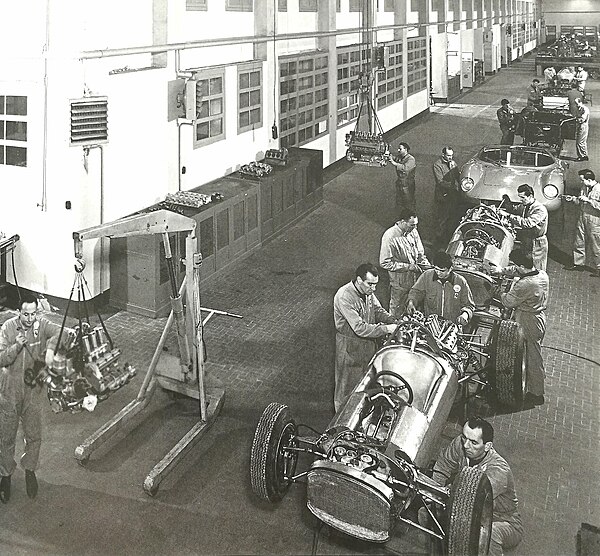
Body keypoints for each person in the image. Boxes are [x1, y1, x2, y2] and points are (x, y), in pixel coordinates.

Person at [0, 293, 63, 502]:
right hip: (9, 391)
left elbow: (62, 333)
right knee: (6, 437)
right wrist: (16, 345)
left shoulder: (41, 324)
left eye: (33, 313)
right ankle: (5, 475)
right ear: (19, 312)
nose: (29, 318)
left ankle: (29, 472)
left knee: (34, 435)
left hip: (33, 390)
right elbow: (0, 358)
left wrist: (50, 350)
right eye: (25, 314)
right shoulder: (8, 327)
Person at [432, 417, 523, 556]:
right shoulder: (461, 443)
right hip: (472, 514)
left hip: (504, 521)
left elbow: (471, 498)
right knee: (427, 514)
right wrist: (433, 492)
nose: (466, 445)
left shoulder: (499, 470)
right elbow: (442, 467)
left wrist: (445, 492)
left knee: (487, 535)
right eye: (464, 437)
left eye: (474, 442)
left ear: (487, 446)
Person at [333, 264, 397, 411]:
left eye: (375, 285)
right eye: (370, 284)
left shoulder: (367, 292)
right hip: (350, 348)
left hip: (368, 345)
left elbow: (377, 310)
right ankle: (341, 425)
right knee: (346, 389)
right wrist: (386, 329)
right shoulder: (345, 296)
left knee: (365, 383)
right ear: (359, 280)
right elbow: (359, 328)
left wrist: (393, 320)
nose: (373, 289)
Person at [496, 249, 549, 406]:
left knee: (533, 357)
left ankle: (537, 394)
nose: (514, 267)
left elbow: (508, 302)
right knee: (530, 354)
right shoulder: (541, 274)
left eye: (515, 265)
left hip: (528, 320)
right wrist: (500, 270)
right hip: (538, 318)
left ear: (521, 265)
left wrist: (499, 291)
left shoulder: (526, 284)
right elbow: (518, 270)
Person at [379, 208, 430, 318]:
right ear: (402, 222)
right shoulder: (389, 237)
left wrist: (427, 267)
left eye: (416, 225)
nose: (415, 228)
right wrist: (408, 267)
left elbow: (420, 254)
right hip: (400, 285)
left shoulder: (413, 231)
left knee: (414, 310)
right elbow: (384, 263)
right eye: (412, 225)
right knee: (396, 312)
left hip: (416, 281)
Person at [406, 251, 474, 326]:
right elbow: (416, 292)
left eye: (442, 271)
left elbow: (469, 305)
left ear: (450, 268)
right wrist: (411, 302)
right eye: (436, 269)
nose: (438, 273)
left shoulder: (460, 282)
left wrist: (465, 315)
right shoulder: (427, 276)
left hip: (452, 326)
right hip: (430, 325)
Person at [499, 184, 548, 270]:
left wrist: (508, 215)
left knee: (537, 268)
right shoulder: (525, 205)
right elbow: (514, 210)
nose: (520, 200)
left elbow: (527, 223)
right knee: (526, 265)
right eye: (519, 197)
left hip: (537, 243)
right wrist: (507, 203)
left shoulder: (540, 209)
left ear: (530, 196)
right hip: (527, 240)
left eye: (522, 197)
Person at [563, 169, 600, 277]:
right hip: (582, 216)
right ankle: (578, 264)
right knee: (579, 241)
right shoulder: (584, 187)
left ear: (589, 179)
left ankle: (599, 268)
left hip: (594, 220)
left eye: (582, 180)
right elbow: (580, 201)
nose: (581, 182)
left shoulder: (599, 189)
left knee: (596, 245)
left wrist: (589, 201)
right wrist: (573, 199)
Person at [432, 146, 461, 249]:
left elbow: (458, 175)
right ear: (443, 155)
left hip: (453, 195)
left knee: (452, 216)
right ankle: (439, 240)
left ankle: (448, 237)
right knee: (442, 218)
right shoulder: (437, 165)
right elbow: (440, 182)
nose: (451, 157)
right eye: (448, 155)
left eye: (452, 155)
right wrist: (454, 186)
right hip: (443, 196)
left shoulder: (453, 163)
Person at [389, 142, 417, 212]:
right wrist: (388, 155)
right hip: (400, 183)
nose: (398, 150)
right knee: (399, 201)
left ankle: (411, 217)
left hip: (407, 183)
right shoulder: (400, 157)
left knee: (408, 202)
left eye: (400, 149)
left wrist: (394, 163)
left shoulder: (411, 159)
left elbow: (405, 168)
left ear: (406, 149)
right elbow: (395, 158)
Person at [574, 96, 590, 161]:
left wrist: (576, 120)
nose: (576, 105)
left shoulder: (584, 109)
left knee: (579, 142)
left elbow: (582, 119)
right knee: (582, 142)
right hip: (581, 126)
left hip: (583, 126)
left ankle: (582, 156)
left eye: (576, 103)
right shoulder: (580, 108)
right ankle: (584, 155)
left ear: (580, 102)